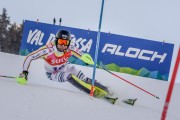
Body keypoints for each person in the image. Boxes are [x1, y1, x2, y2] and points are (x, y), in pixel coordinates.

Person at [17, 29, 94, 85]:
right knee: (66, 76)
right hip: (52, 73)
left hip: (64, 66)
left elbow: (82, 55)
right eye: (61, 42)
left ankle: (86, 80)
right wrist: (24, 72)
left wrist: (86, 59)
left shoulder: (70, 48)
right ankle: (76, 82)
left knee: (71, 68)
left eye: (65, 42)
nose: (63, 45)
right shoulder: (48, 50)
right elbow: (30, 57)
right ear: (56, 41)